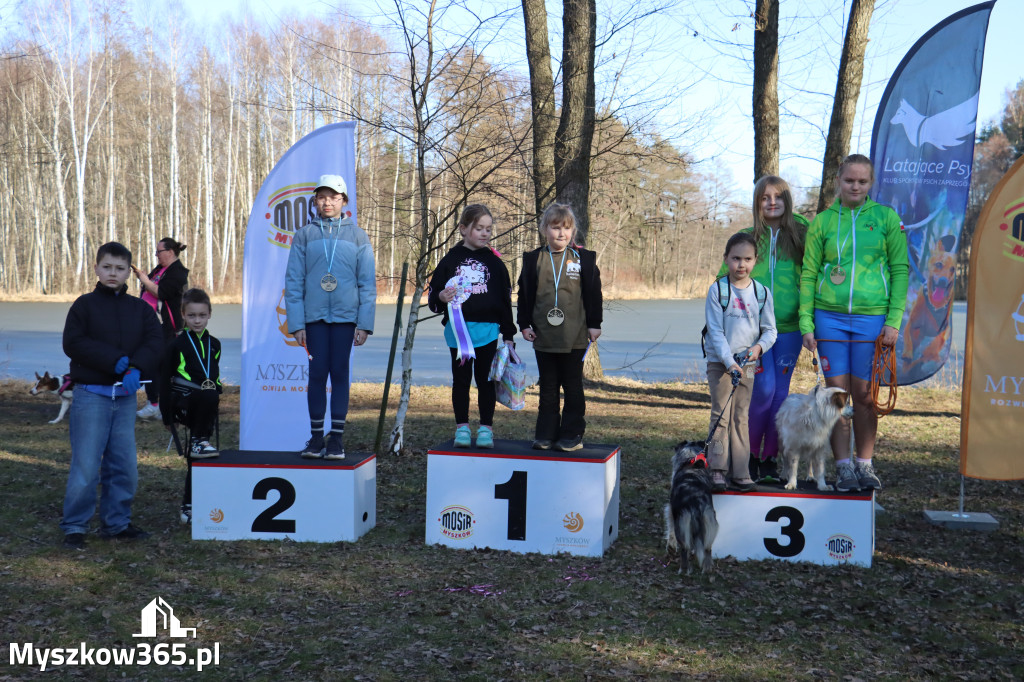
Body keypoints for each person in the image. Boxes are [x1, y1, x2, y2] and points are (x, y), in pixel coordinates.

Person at [799, 153, 909, 491]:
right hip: (828, 318)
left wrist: (893, 321)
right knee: (837, 396)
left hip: (871, 319)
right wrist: (806, 322)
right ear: (838, 181)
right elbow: (808, 273)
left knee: (863, 396)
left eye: (862, 181)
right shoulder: (822, 222)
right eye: (850, 180)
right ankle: (843, 468)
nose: (856, 186)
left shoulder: (885, 218)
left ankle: (865, 465)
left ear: (870, 183)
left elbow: (900, 270)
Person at [60, 242, 164, 549]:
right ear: (96, 268)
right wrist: (112, 361)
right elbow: (74, 343)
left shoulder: (140, 309)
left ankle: (117, 523)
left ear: (128, 272)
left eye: (120, 269)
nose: (113, 273)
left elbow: (155, 342)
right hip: (91, 395)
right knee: (86, 465)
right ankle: (75, 525)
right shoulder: (84, 306)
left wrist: (135, 368)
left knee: (124, 466)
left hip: (125, 398)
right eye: (107, 267)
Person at [717, 176, 809, 482]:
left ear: (787, 201)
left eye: (778, 197)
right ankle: (747, 455)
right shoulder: (746, 238)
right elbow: (723, 281)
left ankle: (769, 458)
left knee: (780, 394)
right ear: (757, 203)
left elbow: (815, 275)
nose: (772, 202)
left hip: (790, 329)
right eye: (765, 198)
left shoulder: (800, 234)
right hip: (751, 333)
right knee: (762, 390)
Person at [285, 174, 376, 460]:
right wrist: (297, 323)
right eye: (322, 197)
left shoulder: (358, 236)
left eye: (334, 197)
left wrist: (365, 323)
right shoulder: (304, 235)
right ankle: (315, 439)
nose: (327, 202)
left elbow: (367, 284)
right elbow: (293, 281)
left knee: (339, 374)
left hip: (346, 319)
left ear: (344, 201)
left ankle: (335, 439)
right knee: (316, 375)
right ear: (315, 200)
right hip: (313, 320)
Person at [428, 205, 517, 448]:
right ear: (464, 229)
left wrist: (508, 334)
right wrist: (441, 299)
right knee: (461, 380)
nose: (485, 233)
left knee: (486, 381)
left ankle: (486, 429)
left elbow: (504, 302)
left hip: (488, 332)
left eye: (489, 229)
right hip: (457, 334)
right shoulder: (450, 260)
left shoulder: (496, 264)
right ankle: (462, 429)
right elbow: (434, 299)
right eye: (479, 228)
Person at [517, 203, 602, 452]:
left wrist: (595, 324)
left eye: (566, 228)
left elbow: (594, 294)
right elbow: (524, 296)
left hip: (575, 336)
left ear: (573, 231)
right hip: (543, 335)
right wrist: (523, 324)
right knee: (548, 386)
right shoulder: (534, 259)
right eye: (555, 228)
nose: (561, 234)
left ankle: (571, 434)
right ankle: (545, 434)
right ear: (545, 229)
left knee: (573, 386)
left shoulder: (583, 259)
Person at [704, 232, 777, 492]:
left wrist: (758, 348)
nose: (741, 264)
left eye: (747, 259)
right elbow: (715, 332)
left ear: (755, 260)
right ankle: (717, 469)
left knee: (740, 417)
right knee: (720, 415)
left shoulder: (762, 293)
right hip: (721, 364)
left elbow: (770, 331)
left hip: (747, 365)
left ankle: (741, 472)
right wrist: (728, 362)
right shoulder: (718, 290)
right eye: (736, 258)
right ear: (726, 259)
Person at [159, 288, 222, 524]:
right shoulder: (176, 344)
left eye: (202, 315)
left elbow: (213, 376)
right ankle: (198, 442)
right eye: (192, 315)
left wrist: (216, 393)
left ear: (209, 315)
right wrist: (167, 417)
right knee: (197, 451)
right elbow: (165, 381)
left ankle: (190, 506)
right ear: (183, 315)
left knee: (197, 460)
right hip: (183, 402)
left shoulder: (214, 344)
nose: (197, 320)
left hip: (206, 404)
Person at [133, 237, 189, 421]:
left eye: (159, 252)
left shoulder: (178, 272)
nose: (156, 255)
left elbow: (161, 292)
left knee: (162, 365)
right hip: (151, 326)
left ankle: (161, 405)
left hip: (168, 327)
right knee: (152, 363)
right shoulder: (161, 269)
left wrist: (144, 280)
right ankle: (155, 404)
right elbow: (150, 288)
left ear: (170, 252)